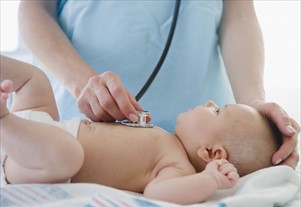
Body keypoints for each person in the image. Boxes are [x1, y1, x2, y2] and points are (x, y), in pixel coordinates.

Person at [18, 1, 299, 168]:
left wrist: (252, 108)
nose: (212, 106)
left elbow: (238, 14)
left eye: (218, 110)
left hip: (203, 154)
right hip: (75, 119)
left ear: (213, 155)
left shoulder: (188, 167)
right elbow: (34, 8)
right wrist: (81, 83)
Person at [1, 55, 281, 205]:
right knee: (33, 79)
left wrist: (211, 181)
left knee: (68, 154)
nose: (209, 101)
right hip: (41, 132)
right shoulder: (164, 137)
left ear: (210, 152)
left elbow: (158, 195)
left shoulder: (177, 166)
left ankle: (3, 118)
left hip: (37, 164)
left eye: (217, 110)